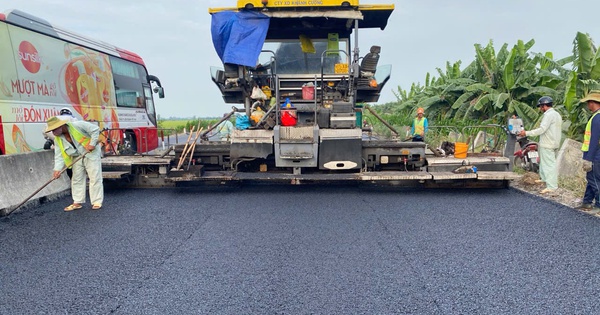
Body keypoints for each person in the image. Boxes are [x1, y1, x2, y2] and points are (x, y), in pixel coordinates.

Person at [45, 116, 104, 211]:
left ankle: (96, 201)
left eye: (54, 129)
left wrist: (92, 144)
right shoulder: (58, 139)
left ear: (61, 126)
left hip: (90, 153)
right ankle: (77, 202)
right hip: (76, 156)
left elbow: (95, 129)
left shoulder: (78, 125)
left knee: (94, 177)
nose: (53, 133)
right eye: (52, 131)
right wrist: (57, 170)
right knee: (76, 178)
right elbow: (59, 155)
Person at [518, 96, 562, 194]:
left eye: (541, 106)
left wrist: (526, 133)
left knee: (549, 165)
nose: (540, 109)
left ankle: (552, 186)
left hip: (548, 143)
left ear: (544, 106)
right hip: (554, 142)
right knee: (544, 163)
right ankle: (544, 178)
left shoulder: (548, 115)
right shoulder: (556, 114)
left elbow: (542, 129)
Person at [578, 92, 600, 213]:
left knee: (595, 180)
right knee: (591, 178)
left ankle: (599, 205)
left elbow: (594, 140)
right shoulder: (596, 116)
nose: (587, 105)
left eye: (588, 103)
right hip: (594, 153)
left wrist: (589, 159)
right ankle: (587, 202)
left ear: (592, 103)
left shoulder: (597, 118)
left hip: (594, 154)